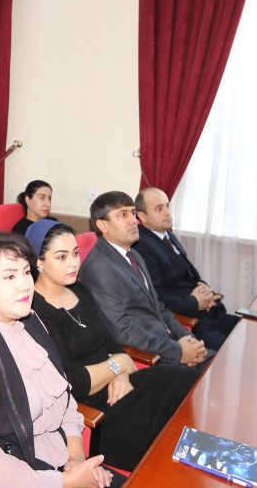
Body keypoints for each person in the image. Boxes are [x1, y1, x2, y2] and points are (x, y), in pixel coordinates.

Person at [0, 225, 117, 488]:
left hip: (55, 462)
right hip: (8, 482)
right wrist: (64, 484)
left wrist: (76, 458)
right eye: (9, 276)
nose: (25, 284)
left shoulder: (28, 319)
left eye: (26, 272)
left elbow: (64, 399)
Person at [27, 219, 198, 470]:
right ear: (39, 262)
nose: (73, 263)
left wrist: (121, 373)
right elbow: (72, 382)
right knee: (164, 431)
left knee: (185, 380)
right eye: (61, 257)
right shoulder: (34, 310)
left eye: (75, 253)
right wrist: (118, 366)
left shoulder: (80, 290)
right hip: (93, 410)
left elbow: (111, 343)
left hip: (118, 386)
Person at [79, 191, 211, 369]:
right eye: (123, 215)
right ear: (103, 225)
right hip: (149, 357)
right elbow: (123, 331)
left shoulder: (134, 254)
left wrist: (186, 337)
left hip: (167, 342)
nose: (134, 221)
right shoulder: (99, 268)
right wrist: (178, 351)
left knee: (219, 361)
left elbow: (158, 307)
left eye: (133, 213)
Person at [134, 187, 239, 351]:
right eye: (159, 209)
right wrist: (195, 302)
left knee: (252, 331)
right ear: (142, 216)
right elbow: (155, 296)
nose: (167, 212)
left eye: (167, 206)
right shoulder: (141, 246)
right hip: (192, 324)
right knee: (237, 351)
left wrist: (207, 291)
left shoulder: (168, 236)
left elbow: (188, 276)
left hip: (211, 313)